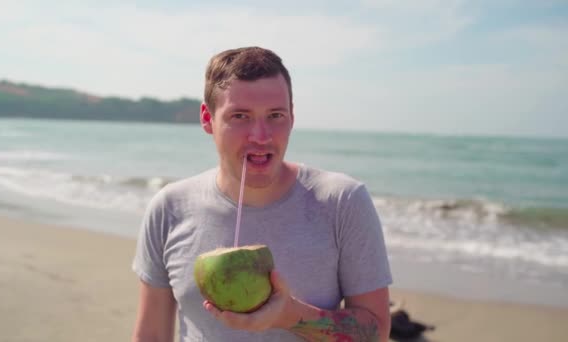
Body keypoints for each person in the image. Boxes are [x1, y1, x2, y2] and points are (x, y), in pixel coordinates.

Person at [131, 46, 393, 342]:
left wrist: (290, 316)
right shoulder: (170, 207)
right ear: (207, 118)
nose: (261, 136)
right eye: (240, 116)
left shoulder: (342, 202)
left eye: (275, 115)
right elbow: (151, 334)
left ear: (292, 117)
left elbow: (376, 332)